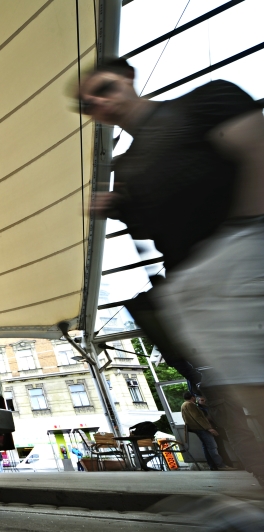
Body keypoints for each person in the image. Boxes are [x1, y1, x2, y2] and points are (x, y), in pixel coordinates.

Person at [79, 59, 264, 482]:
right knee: (235, 384)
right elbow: (147, 225)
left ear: (128, 78)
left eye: (104, 88)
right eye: (88, 103)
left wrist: (248, 231)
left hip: (244, 248)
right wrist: (115, 206)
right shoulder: (124, 168)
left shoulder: (205, 100)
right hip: (193, 278)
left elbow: (256, 149)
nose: (98, 103)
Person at [181, 391, 230, 471]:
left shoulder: (184, 405)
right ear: (192, 397)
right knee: (212, 446)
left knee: (206, 447)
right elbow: (198, 417)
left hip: (196, 428)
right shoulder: (190, 405)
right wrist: (209, 428)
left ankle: (212, 465)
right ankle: (220, 465)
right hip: (201, 428)